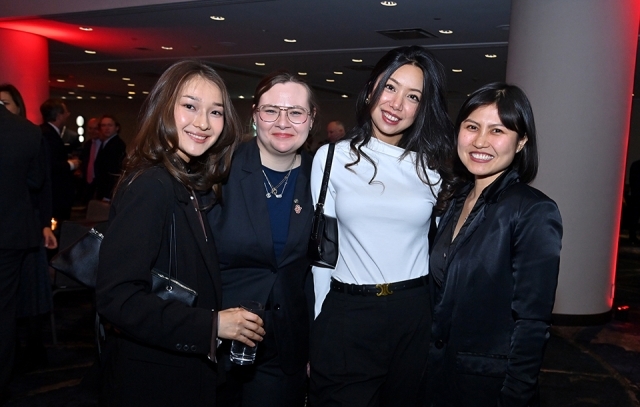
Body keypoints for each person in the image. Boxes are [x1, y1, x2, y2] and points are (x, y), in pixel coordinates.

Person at [95, 60, 265, 407]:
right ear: (163, 109)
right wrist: (212, 325)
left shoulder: (186, 183)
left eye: (215, 112)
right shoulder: (152, 185)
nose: (203, 123)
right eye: (190, 106)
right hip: (152, 380)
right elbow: (118, 298)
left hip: (180, 371)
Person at [309, 45, 456, 407]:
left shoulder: (432, 170)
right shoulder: (331, 157)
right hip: (347, 313)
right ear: (373, 86)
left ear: (423, 107)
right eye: (390, 87)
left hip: (413, 312)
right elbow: (321, 255)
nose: (396, 104)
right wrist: (317, 328)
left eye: (413, 97)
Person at [425, 82, 562, 407]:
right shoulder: (452, 200)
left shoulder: (533, 211)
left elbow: (532, 323)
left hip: (489, 387)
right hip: (436, 378)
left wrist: (515, 396)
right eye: (472, 127)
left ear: (521, 142)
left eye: (497, 130)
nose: (480, 141)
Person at [207, 70, 316, 407]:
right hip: (216, 341)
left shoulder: (323, 177)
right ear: (255, 115)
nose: (283, 121)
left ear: (311, 120)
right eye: (271, 110)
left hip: (285, 346)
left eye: (295, 112)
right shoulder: (218, 169)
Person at [0, 84, 57, 372]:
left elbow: (42, 187)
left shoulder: (29, 132)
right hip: (11, 233)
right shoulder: (26, 133)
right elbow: (36, 181)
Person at [40, 99, 80, 222]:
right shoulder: (47, 134)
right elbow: (51, 164)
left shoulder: (46, 131)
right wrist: (71, 165)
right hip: (55, 193)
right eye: (65, 112)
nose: (68, 115)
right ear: (58, 116)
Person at [93, 114, 126, 201]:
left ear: (117, 128)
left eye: (110, 125)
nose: (106, 128)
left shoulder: (117, 145)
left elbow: (114, 171)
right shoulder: (105, 143)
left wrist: (107, 195)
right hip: (103, 190)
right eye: (103, 125)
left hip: (109, 192)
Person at [77, 116, 102, 204]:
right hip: (87, 183)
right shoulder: (87, 145)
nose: (92, 131)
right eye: (90, 128)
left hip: (99, 183)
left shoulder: (104, 145)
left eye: (95, 129)